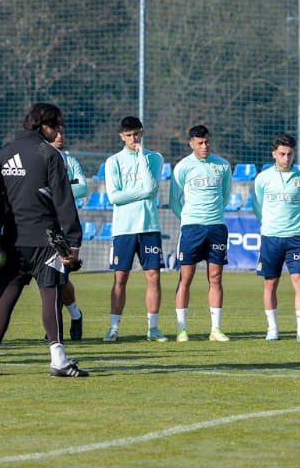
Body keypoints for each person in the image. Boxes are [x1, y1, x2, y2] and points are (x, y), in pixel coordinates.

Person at [0, 102, 86, 377]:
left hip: (12, 239)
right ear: (45, 126)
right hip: (45, 240)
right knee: (51, 296)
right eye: (58, 125)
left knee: (7, 297)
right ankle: (59, 360)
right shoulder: (49, 154)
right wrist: (73, 242)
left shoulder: (5, 153)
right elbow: (65, 202)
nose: (60, 130)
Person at [103, 115, 167, 342]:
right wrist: (142, 193)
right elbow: (115, 197)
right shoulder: (113, 162)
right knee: (120, 278)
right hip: (124, 228)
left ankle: (153, 328)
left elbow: (151, 186)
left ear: (142, 132)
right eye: (128, 135)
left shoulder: (154, 158)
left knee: (153, 277)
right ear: (121, 136)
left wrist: (141, 156)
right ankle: (113, 328)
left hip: (149, 226)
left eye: (136, 134)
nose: (133, 138)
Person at [169, 124, 232, 342]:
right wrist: (188, 219)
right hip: (192, 229)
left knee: (215, 277)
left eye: (207, 142)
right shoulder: (182, 167)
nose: (204, 146)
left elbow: (225, 196)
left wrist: (212, 216)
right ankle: (182, 329)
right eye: (199, 143)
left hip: (216, 227)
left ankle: (215, 329)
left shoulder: (222, 165)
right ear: (191, 143)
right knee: (186, 277)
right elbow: (174, 201)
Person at [253, 134, 300, 342]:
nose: (286, 158)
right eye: (282, 154)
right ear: (274, 154)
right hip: (271, 237)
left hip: (296, 237)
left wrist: (293, 224)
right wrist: (271, 225)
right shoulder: (262, 178)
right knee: (270, 283)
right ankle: (272, 328)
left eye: (289, 154)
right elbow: (258, 207)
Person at [49, 124, 90, 341]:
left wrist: (56, 191)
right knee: (49, 279)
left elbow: (83, 188)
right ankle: (55, 329)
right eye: (56, 132)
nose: (60, 136)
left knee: (61, 279)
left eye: (62, 132)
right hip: (42, 227)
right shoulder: (40, 160)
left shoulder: (69, 160)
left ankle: (75, 315)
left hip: (64, 228)